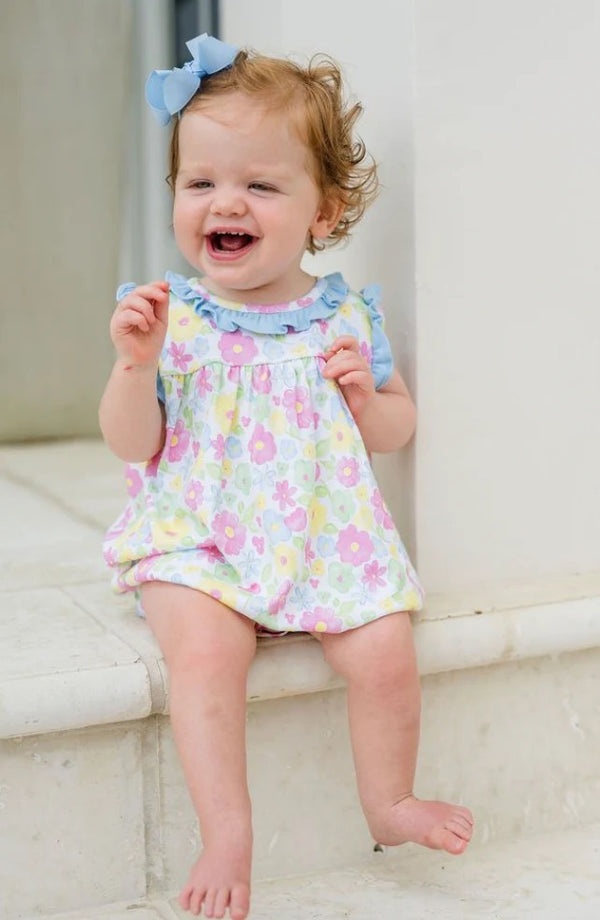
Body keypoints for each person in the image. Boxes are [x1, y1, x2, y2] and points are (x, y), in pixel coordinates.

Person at [100, 33, 473, 920]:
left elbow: (397, 427)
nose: (225, 202)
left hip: (320, 536)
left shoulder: (345, 316)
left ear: (324, 212)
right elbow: (132, 442)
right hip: (199, 539)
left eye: (260, 186)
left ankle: (390, 800)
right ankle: (226, 832)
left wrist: (364, 397)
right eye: (200, 182)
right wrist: (133, 369)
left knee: (385, 648)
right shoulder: (170, 317)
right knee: (206, 656)